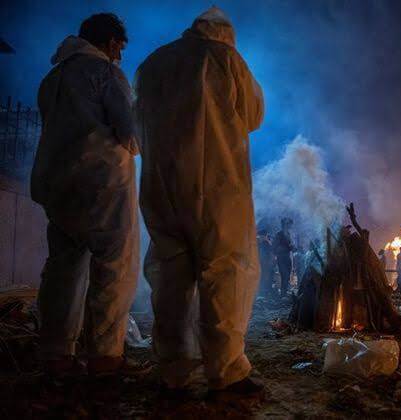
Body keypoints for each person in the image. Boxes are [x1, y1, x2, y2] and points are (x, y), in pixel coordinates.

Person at [134, 6, 264, 396]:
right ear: (225, 34)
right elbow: (254, 115)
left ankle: (174, 369)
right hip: (217, 186)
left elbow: (136, 123)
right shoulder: (226, 59)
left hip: (162, 187)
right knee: (225, 273)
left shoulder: (153, 63)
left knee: (170, 277)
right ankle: (225, 370)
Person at [31, 13, 146, 378]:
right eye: (120, 48)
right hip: (102, 186)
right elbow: (131, 134)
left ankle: (56, 354)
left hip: (57, 187)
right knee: (114, 267)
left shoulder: (53, 78)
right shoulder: (106, 74)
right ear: (111, 43)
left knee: (63, 269)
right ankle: (105, 357)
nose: (120, 56)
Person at [273, 218, 296, 297]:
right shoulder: (279, 234)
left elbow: (289, 245)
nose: (290, 225)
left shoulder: (288, 234)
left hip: (287, 257)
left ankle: (284, 293)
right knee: (284, 275)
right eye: (288, 224)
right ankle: (283, 294)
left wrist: (292, 247)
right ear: (284, 224)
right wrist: (287, 248)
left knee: (287, 275)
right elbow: (275, 247)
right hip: (281, 258)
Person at [257, 230, 276, 297]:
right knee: (265, 279)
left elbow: (270, 255)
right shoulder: (265, 243)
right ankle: (265, 293)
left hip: (265, 264)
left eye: (260, 236)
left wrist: (270, 263)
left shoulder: (265, 243)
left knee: (265, 279)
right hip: (265, 264)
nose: (259, 238)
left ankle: (264, 293)